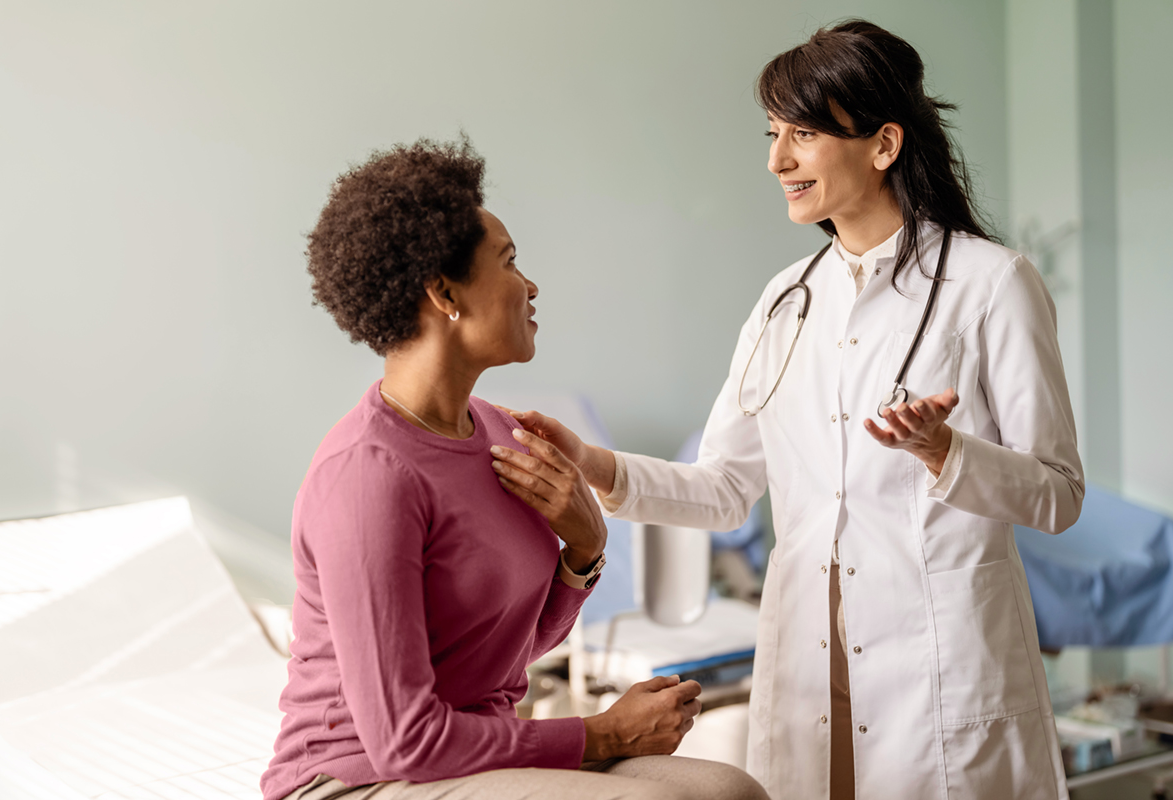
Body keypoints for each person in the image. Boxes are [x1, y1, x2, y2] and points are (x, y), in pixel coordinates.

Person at [494, 20, 1084, 800]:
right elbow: (724, 488)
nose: (777, 160)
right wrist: (593, 465)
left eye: (802, 134)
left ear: (883, 145)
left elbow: (1059, 493)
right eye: (774, 134)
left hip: (939, 671)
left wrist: (948, 454)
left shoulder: (991, 284)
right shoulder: (785, 303)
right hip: (812, 666)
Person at [260, 138, 768, 800]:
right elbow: (404, 739)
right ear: (444, 293)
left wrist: (584, 553)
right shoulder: (369, 477)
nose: (530, 285)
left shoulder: (500, 433)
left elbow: (498, 654)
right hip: (357, 778)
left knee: (731, 791)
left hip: (474, 751)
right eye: (508, 262)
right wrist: (603, 734)